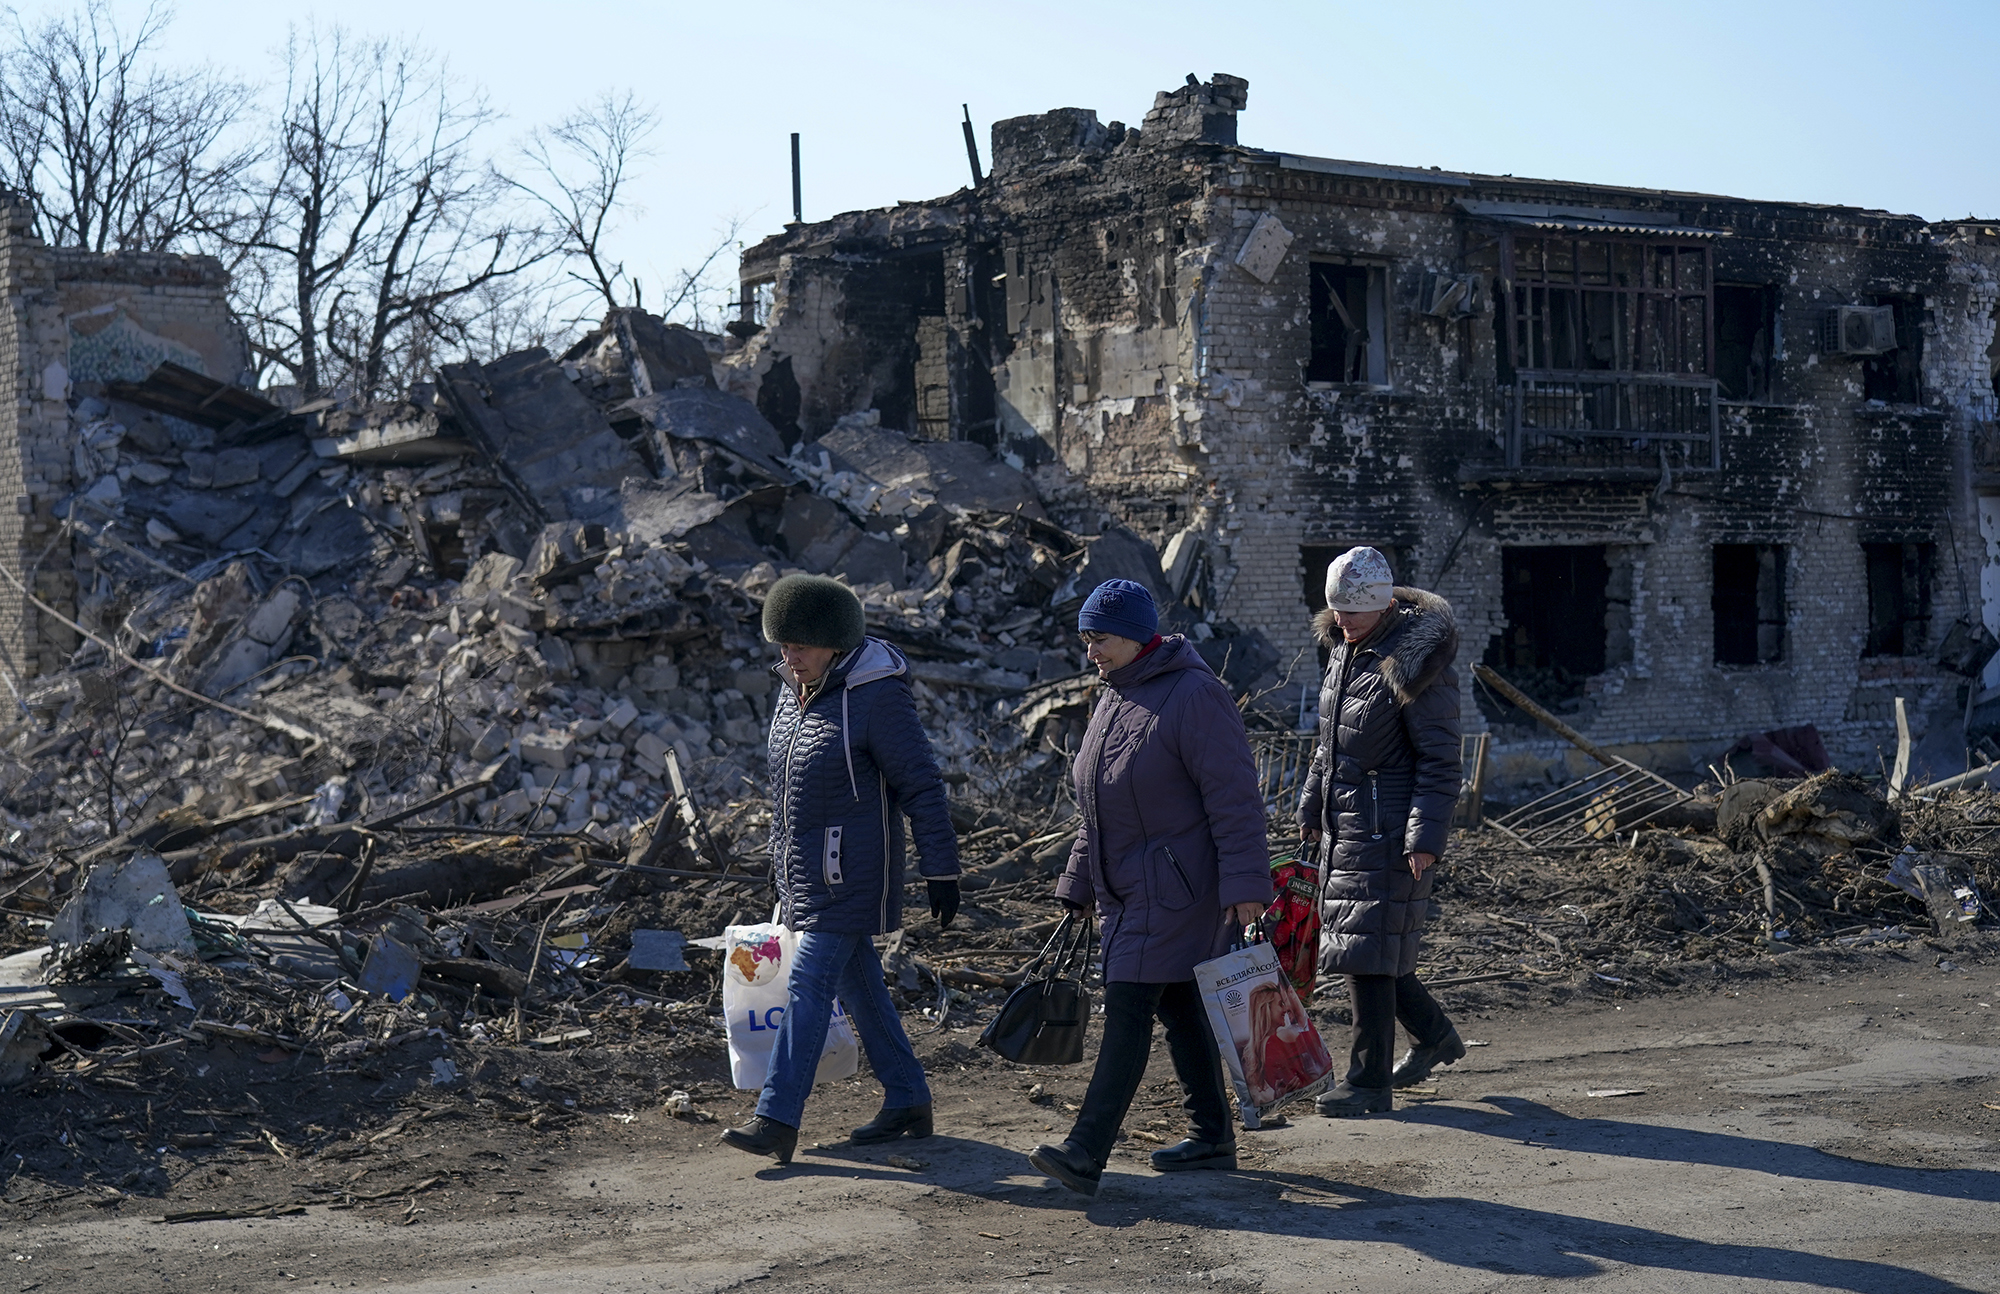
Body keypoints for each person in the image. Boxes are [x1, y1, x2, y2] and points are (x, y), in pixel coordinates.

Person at [1027, 579, 1272, 1197]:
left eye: (1101, 639)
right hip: (1126, 889)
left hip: (1182, 888)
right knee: (1181, 1005)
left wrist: (1246, 885)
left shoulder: (1196, 696)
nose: (1092, 653)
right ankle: (1212, 1133)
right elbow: (1098, 808)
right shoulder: (1112, 697)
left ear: (1138, 636)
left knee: (1130, 1005)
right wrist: (1078, 883)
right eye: (1085, 640)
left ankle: (1085, 1150)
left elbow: (1236, 799)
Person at [721, 575, 962, 1165]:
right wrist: (779, 870)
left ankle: (776, 1119)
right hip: (806, 873)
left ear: (834, 642)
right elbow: (788, 795)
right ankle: (907, 1097)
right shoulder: (794, 689)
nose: (788, 656)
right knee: (859, 983)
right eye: (782, 644)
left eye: (800, 644)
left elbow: (922, 786)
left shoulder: (878, 695)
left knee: (808, 985)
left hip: (853, 871)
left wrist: (941, 870)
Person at [1298, 546, 1467, 1117]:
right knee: (1371, 947)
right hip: (1347, 823)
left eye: (1354, 611)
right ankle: (1436, 1036)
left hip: (1389, 829)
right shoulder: (1348, 650)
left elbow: (1441, 761)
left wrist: (1424, 837)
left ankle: (1369, 1084)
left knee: (1366, 954)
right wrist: (1309, 807)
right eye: (1335, 609)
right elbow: (1329, 743)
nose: (1341, 621)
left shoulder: (1417, 663)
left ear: (1385, 605)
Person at [1243, 982, 1330, 1106]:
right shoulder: (1280, 1039)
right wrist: (1299, 1011)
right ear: (1266, 1009)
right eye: (1281, 1004)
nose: (1285, 1008)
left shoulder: (1256, 1050)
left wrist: (1278, 1095)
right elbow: (1314, 1044)